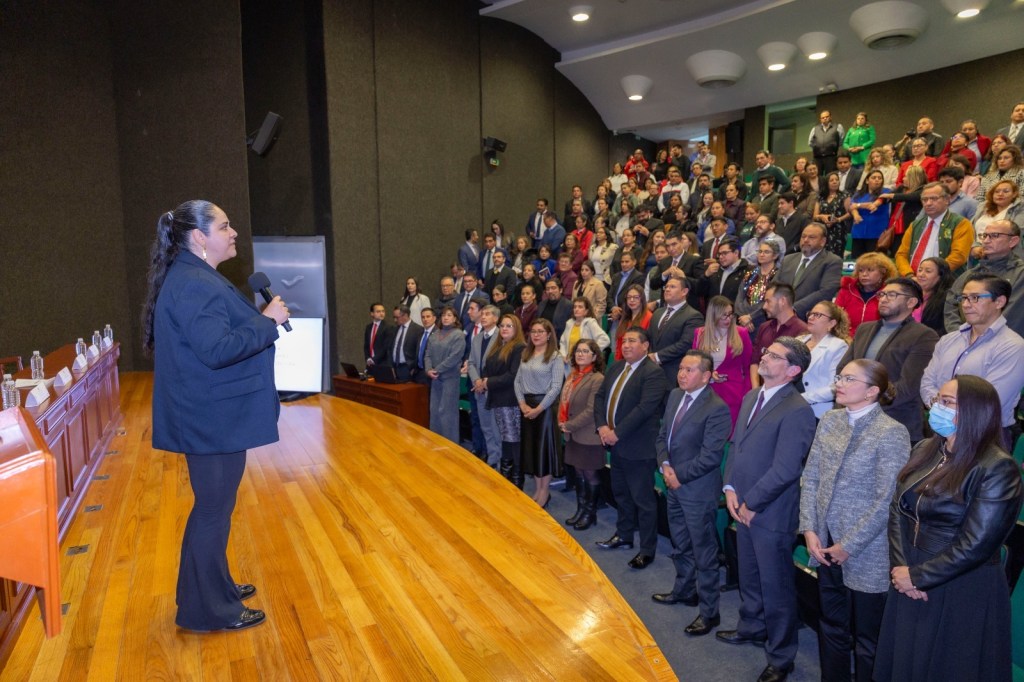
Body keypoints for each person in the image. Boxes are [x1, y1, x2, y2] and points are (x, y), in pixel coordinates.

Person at [144, 200, 290, 632]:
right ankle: (208, 610)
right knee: (211, 511)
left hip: (212, 415)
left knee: (213, 509)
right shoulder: (192, 282)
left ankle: (211, 589)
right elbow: (216, 349)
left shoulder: (196, 275)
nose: (233, 234)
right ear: (198, 237)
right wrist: (266, 321)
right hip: (210, 419)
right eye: (224, 227)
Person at [875, 376, 1024, 682]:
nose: (935, 408)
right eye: (936, 400)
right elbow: (897, 509)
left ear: (974, 410)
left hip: (958, 583)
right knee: (906, 663)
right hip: (909, 570)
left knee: (946, 667)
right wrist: (901, 567)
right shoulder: (927, 448)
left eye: (946, 402)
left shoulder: (997, 467)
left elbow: (977, 545)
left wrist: (917, 577)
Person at [799, 359, 910, 682]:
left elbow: (886, 499)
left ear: (873, 391)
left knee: (867, 639)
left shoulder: (891, 432)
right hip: (824, 541)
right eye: (839, 377)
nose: (839, 384)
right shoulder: (831, 420)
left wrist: (848, 545)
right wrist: (809, 529)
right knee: (831, 624)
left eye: (849, 379)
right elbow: (812, 477)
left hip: (866, 551)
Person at [718, 338, 817, 682]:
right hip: (742, 503)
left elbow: (787, 468)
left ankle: (781, 656)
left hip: (769, 512)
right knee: (749, 574)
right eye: (767, 352)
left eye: (775, 356)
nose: (765, 357)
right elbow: (737, 448)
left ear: (793, 370)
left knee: (775, 586)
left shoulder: (798, 409)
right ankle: (751, 626)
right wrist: (730, 488)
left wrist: (752, 502)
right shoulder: (750, 396)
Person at [652, 350, 732, 637]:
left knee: (704, 552)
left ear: (707, 376)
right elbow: (662, 437)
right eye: (681, 368)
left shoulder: (717, 408)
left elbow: (710, 457)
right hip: (673, 484)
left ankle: (710, 613)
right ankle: (685, 591)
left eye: (689, 370)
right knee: (680, 543)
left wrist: (676, 476)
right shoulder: (675, 396)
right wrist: (665, 466)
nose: (682, 374)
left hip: (697, 490)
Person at [593, 328, 669, 569]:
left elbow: (645, 409)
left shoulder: (653, 373)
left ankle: (647, 550)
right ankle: (624, 535)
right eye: (624, 341)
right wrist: (602, 427)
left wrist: (616, 432)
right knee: (621, 494)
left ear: (646, 346)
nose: (626, 345)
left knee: (643, 501)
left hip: (638, 447)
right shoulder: (616, 367)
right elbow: (600, 398)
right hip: (614, 443)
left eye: (632, 341)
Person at [921, 273, 1024, 441]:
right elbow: (927, 382)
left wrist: (944, 408)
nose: (966, 305)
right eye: (964, 298)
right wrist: (941, 411)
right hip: (939, 429)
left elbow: (991, 399)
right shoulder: (948, 340)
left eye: (975, 298)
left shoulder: (1012, 346)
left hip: (983, 436)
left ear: (999, 302)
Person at [838, 277, 938, 444]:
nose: (883, 299)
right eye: (882, 294)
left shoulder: (924, 336)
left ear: (911, 302)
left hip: (894, 423)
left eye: (892, 295)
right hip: (852, 417)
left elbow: (908, 387)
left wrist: (863, 402)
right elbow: (843, 369)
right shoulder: (865, 329)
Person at [514, 319, 565, 508]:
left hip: (544, 408)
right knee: (532, 449)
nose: (536, 335)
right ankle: (537, 488)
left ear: (549, 335)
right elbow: (517, 381)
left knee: (544, 451)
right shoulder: (526, 353)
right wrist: (522, 404)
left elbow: (556, 387)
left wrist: (538, 409)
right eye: (533, 331)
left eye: (540, 332)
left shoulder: (555, 357)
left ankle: (545, 491)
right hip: (527, 407)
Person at [558, 338, 606, 531]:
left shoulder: (597, 378)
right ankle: (581, 509)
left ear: (594, 356)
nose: (580, 354)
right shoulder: (573, 376)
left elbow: (591, 410)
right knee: (578, 472)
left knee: (590, 474)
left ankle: (590, 513)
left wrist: (569, 425)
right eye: (578, 351)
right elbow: (564, 402)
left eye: (585, 351)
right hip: (573, 434)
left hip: (587, 435)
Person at [944, 220, 1024, 335]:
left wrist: (979, 338)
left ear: (1013, 241)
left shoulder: (1020, 274)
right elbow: (951, 307)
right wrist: (961, 336)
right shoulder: (969, 274)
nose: (986, 241)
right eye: (984, 236)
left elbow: (1012, 315)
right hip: (964, 341)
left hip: (1002, 345)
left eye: (994, 236)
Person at [693, 295, 753, 428]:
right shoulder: (700, 333)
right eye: (723, 315)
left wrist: (747, 394)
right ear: (713, 315)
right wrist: (710, 374)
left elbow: (749, 367)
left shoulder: (741, 333)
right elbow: (694, 363)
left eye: (730, 314)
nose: (728, 319)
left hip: (733, 394)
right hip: (706, 392)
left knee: (728, 433)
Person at [894, 181, 973, 278]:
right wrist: (909, 275)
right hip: (912, 280)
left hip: (944, 281)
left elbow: (958, 256)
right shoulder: (915, 225)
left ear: (947, 199)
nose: (928, 203)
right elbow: (901, 255)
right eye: (924, 199)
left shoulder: (961, 223)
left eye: (934, 199)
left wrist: (933, 274)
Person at [484, 314, 526, 488]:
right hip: (499, 399)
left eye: (509, 326)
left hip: (511, 400)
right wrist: (484, 380)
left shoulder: (519, 347)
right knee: (506, 438)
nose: (504, 329)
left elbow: (513, 375)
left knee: (513, 439)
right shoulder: (498, 346)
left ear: (516, 329)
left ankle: (516, 479)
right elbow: (488, 368)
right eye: (502, 326)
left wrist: (488, 382)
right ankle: (507, 476)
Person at [776, 223, 843, 320]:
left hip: (810, 317)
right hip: (780, 314)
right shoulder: (788, 259)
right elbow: (775, 286)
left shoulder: (832, 261)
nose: (806, 240)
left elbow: (826, 292)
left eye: (811, 237)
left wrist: (793, 308)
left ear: (823, 241)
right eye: (803, 236)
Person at [796, 301, 851, 419]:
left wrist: (803, 397)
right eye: (810, 313)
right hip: (791, 404)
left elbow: (836, 386)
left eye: (817, 315)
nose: (810, 317)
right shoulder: (799, 340)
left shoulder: (838, 346)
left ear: (831, 323)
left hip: (816, 411)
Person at [648, 275, 704, 387]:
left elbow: (685, 344)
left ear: (684, 291)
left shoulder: (693, 316)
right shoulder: (657, 313)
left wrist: (657, 356)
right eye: (666, 287)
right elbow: (650, 338)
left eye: (672, 287)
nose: (667, 289)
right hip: (651, 373)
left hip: (673, 373)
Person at [750, 283, 808, 388]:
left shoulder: (802, 331)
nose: (764, 306)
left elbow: (797, 370)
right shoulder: (764, 327)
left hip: (785, 394)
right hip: (761, 390)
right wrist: (756, 390)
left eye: (768, 301)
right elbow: (754, 361)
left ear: (782, 301)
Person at [467, 304, 502, 467]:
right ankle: (492, 457)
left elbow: (500, 365)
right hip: (479, 388)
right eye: (483, 314)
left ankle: (498, 459)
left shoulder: (501, 337)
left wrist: (485, 382)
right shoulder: (478, 337)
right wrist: (476, 381)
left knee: (496, 428)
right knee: (485, 427)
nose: (484, 316)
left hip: (493, 390)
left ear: (496, 318)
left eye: (488, 314)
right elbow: (472, 362)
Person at [425, 306, 464, 445]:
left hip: (450, 379)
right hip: (435, 379)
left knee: (447, 412)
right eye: (443, 315)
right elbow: (427, 354)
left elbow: (454, 357)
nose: (446, 317)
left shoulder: (458, 335)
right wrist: (429, 369)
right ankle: (435, 442)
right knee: (434, 411)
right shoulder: (435, 334)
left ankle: (450, 445)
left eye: (449, 315)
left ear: (455, 318)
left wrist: (437, 369)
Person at [835, 251, 897, 335]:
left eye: (870, 270)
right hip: (846, 339)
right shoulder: (846, 290)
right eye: (861, 270)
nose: (864, 274)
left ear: (883, 272)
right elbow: (835, 317)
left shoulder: (890, 294)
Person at [735, 238, 781, 334]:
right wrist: (742, 317)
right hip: (742, 319)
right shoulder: (751, 272)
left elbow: (770, 301)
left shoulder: (778, 275)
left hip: (762, 319)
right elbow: (740, 295)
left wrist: (751, 317)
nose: (762, 254)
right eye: (760, 251)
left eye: (766, 252)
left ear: (775, 256)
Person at [848, 170, 891, 258]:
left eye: (880, 178)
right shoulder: (859, 193)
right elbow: (852, 207)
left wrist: (859, 205)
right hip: (858, 232)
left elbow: (875, 204)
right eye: (874, 178)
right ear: (867, 180)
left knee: (874, 262)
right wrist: (856, 215)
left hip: (877, 233)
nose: (877, 180)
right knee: (857, 261)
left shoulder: (886, 192)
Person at [559, 296, 611, 362]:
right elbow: (563, 342)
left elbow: (605, 340)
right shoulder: (569, 323)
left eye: (580, 307)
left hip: (585, 363)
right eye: (575, 307)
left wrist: (590, 352)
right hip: (569, 363)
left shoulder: (590, 323)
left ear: (586, 311)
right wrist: (563, 355)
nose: (576, 309)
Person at [814, 171, 852, 257]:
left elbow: (849, 213)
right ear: (826, 183)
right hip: (823, 230)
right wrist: (822, 216)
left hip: (839, 231)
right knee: (821, 257)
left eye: (836, 180)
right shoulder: (821, 197)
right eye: (831, 180)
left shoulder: (844, 195)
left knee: (836, 257)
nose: (835, 182)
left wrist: (838, 219)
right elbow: (815, 216)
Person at [914, 256, 954, 334]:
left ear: (940, 276)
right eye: (920, 270)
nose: (921, 274)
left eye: (928, 271)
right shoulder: (911, 294)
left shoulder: (947, 300)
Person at [614, 284, 652, 360]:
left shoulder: (649, 317)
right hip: (622, 360)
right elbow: (619, 344)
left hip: (639, 360)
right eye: (629, 297)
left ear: (642, 299)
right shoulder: (625, 317)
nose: (632, 300)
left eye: (636, 297)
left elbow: (649, 345)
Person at [363, 302, 390, 369]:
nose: (381, 313)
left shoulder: (388, 328)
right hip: (370, 364)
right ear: (372, 313)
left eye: (383, 311)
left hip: (382, 364)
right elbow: (366, 345)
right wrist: (368, 358)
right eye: (378, 311)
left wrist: (374, 359)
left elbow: (385, 347)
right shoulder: (368, 327)